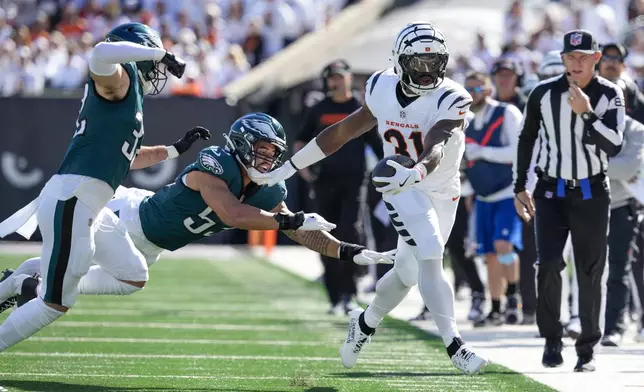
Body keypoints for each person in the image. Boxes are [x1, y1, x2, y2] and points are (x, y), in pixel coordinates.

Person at [249, 22, 488, 375]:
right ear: (398, 62)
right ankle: (455, 344)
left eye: (433, 63)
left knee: (407, 273)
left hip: (439, 185)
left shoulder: (454, 96)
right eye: (418, 64)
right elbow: (342, 132)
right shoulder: (380, 87)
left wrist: (418, 171)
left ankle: (364, 322)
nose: (426, 73)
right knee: (432, 251)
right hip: (399, 183)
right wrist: (288, 168)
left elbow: (436, 144)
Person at [0, 113, 395, 321]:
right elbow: (233, 213)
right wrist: (289, 221)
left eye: (272, 152)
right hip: (127, 219)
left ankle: (19, 283)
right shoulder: (216, 163)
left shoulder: (271, 189)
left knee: (79, 270)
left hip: (151, 241)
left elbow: (299, 231)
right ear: (240, 146)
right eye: (260, 149)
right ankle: (35, 286)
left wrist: (348, 252)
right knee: (128, 279)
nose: (268, 159)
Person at [0, 22, 197, 353]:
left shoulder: (128, 95)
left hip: (88, 203)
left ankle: (25, 281)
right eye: (152, 57)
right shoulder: (120, 79)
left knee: (133, 273)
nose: (158, 70)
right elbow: (100, 53)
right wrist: (159, 52)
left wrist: (175, 150)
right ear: (137, 50)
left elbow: (129, 158)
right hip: (75, 199)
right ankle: (30, 286)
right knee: (55, 303)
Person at [514, 30, 625, 372]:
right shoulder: (542, 94)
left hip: (592, 192)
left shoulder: (610, 93)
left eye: (583, 57)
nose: (575, 64)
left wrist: (587, 114)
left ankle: (587, 349)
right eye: (570, 58)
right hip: (550, 192)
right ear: (562, 59)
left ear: (595, 59)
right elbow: (527, 137)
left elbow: (614, 145)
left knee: (591, 271)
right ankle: (551, 339)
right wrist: (519, 185)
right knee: (547, 265)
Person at [295, 60, 384, 315]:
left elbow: (377, 144)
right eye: (331, 77)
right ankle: (334, 297)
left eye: (340, 76)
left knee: (351, 233)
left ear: (349, 78)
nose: (335, 82)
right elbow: (301, 139)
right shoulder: (319, 108)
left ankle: (350, 292)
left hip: (355, 181)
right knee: (324, 237)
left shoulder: (360, 108)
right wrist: (303, 168)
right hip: (324, 181)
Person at [463, 71, 523, 327]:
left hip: (507, 192)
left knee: (503, 246)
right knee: (489, 255)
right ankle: (496, 306)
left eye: (478, 88)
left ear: (488, 90)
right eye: (469, 89)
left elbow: (518, 151)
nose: (473, 94)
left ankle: (513, 296)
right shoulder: (463, 119)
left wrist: (483, 152)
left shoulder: (506, 113)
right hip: (482, 196)